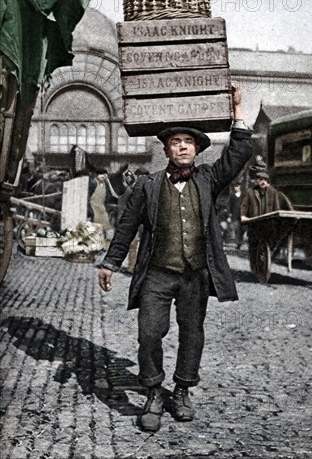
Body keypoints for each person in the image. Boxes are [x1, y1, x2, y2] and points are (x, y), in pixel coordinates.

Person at [97, 85, 252, 432]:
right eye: (176, 142)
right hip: (156, 274)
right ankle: (152, 391)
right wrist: (109, 263)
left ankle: (182, 390)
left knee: (192, 333)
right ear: (166, 149)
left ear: (197, 150)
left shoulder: (209, 178)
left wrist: (238, 110)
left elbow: (240, 152)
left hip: (195, 275)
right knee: (150, 333)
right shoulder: (147, 185)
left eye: (189, 142)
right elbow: (126, 227)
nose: (182, 146)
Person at [88, 169, 117, 238]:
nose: (103, 176)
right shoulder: (93, 183)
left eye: (104, 175)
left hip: (101, 207)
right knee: (95, 226)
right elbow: (88, 195)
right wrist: (89, 208)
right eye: (101, 174)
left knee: (107, 225)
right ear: (97, 175)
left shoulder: (105, 184)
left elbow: (110, 195)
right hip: (93, 207)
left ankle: (110, 242)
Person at [227, 182, 245, 249]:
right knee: (237, 229)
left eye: (237, 186)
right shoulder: (232, 195)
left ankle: (240, 241)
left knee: (243, 229)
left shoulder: (243, 195)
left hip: (243, 215)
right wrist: (229, 215)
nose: (236, 188)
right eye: (235, 187)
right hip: (235, 215)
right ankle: (238, 244)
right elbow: (229, 205)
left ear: (240, 186)